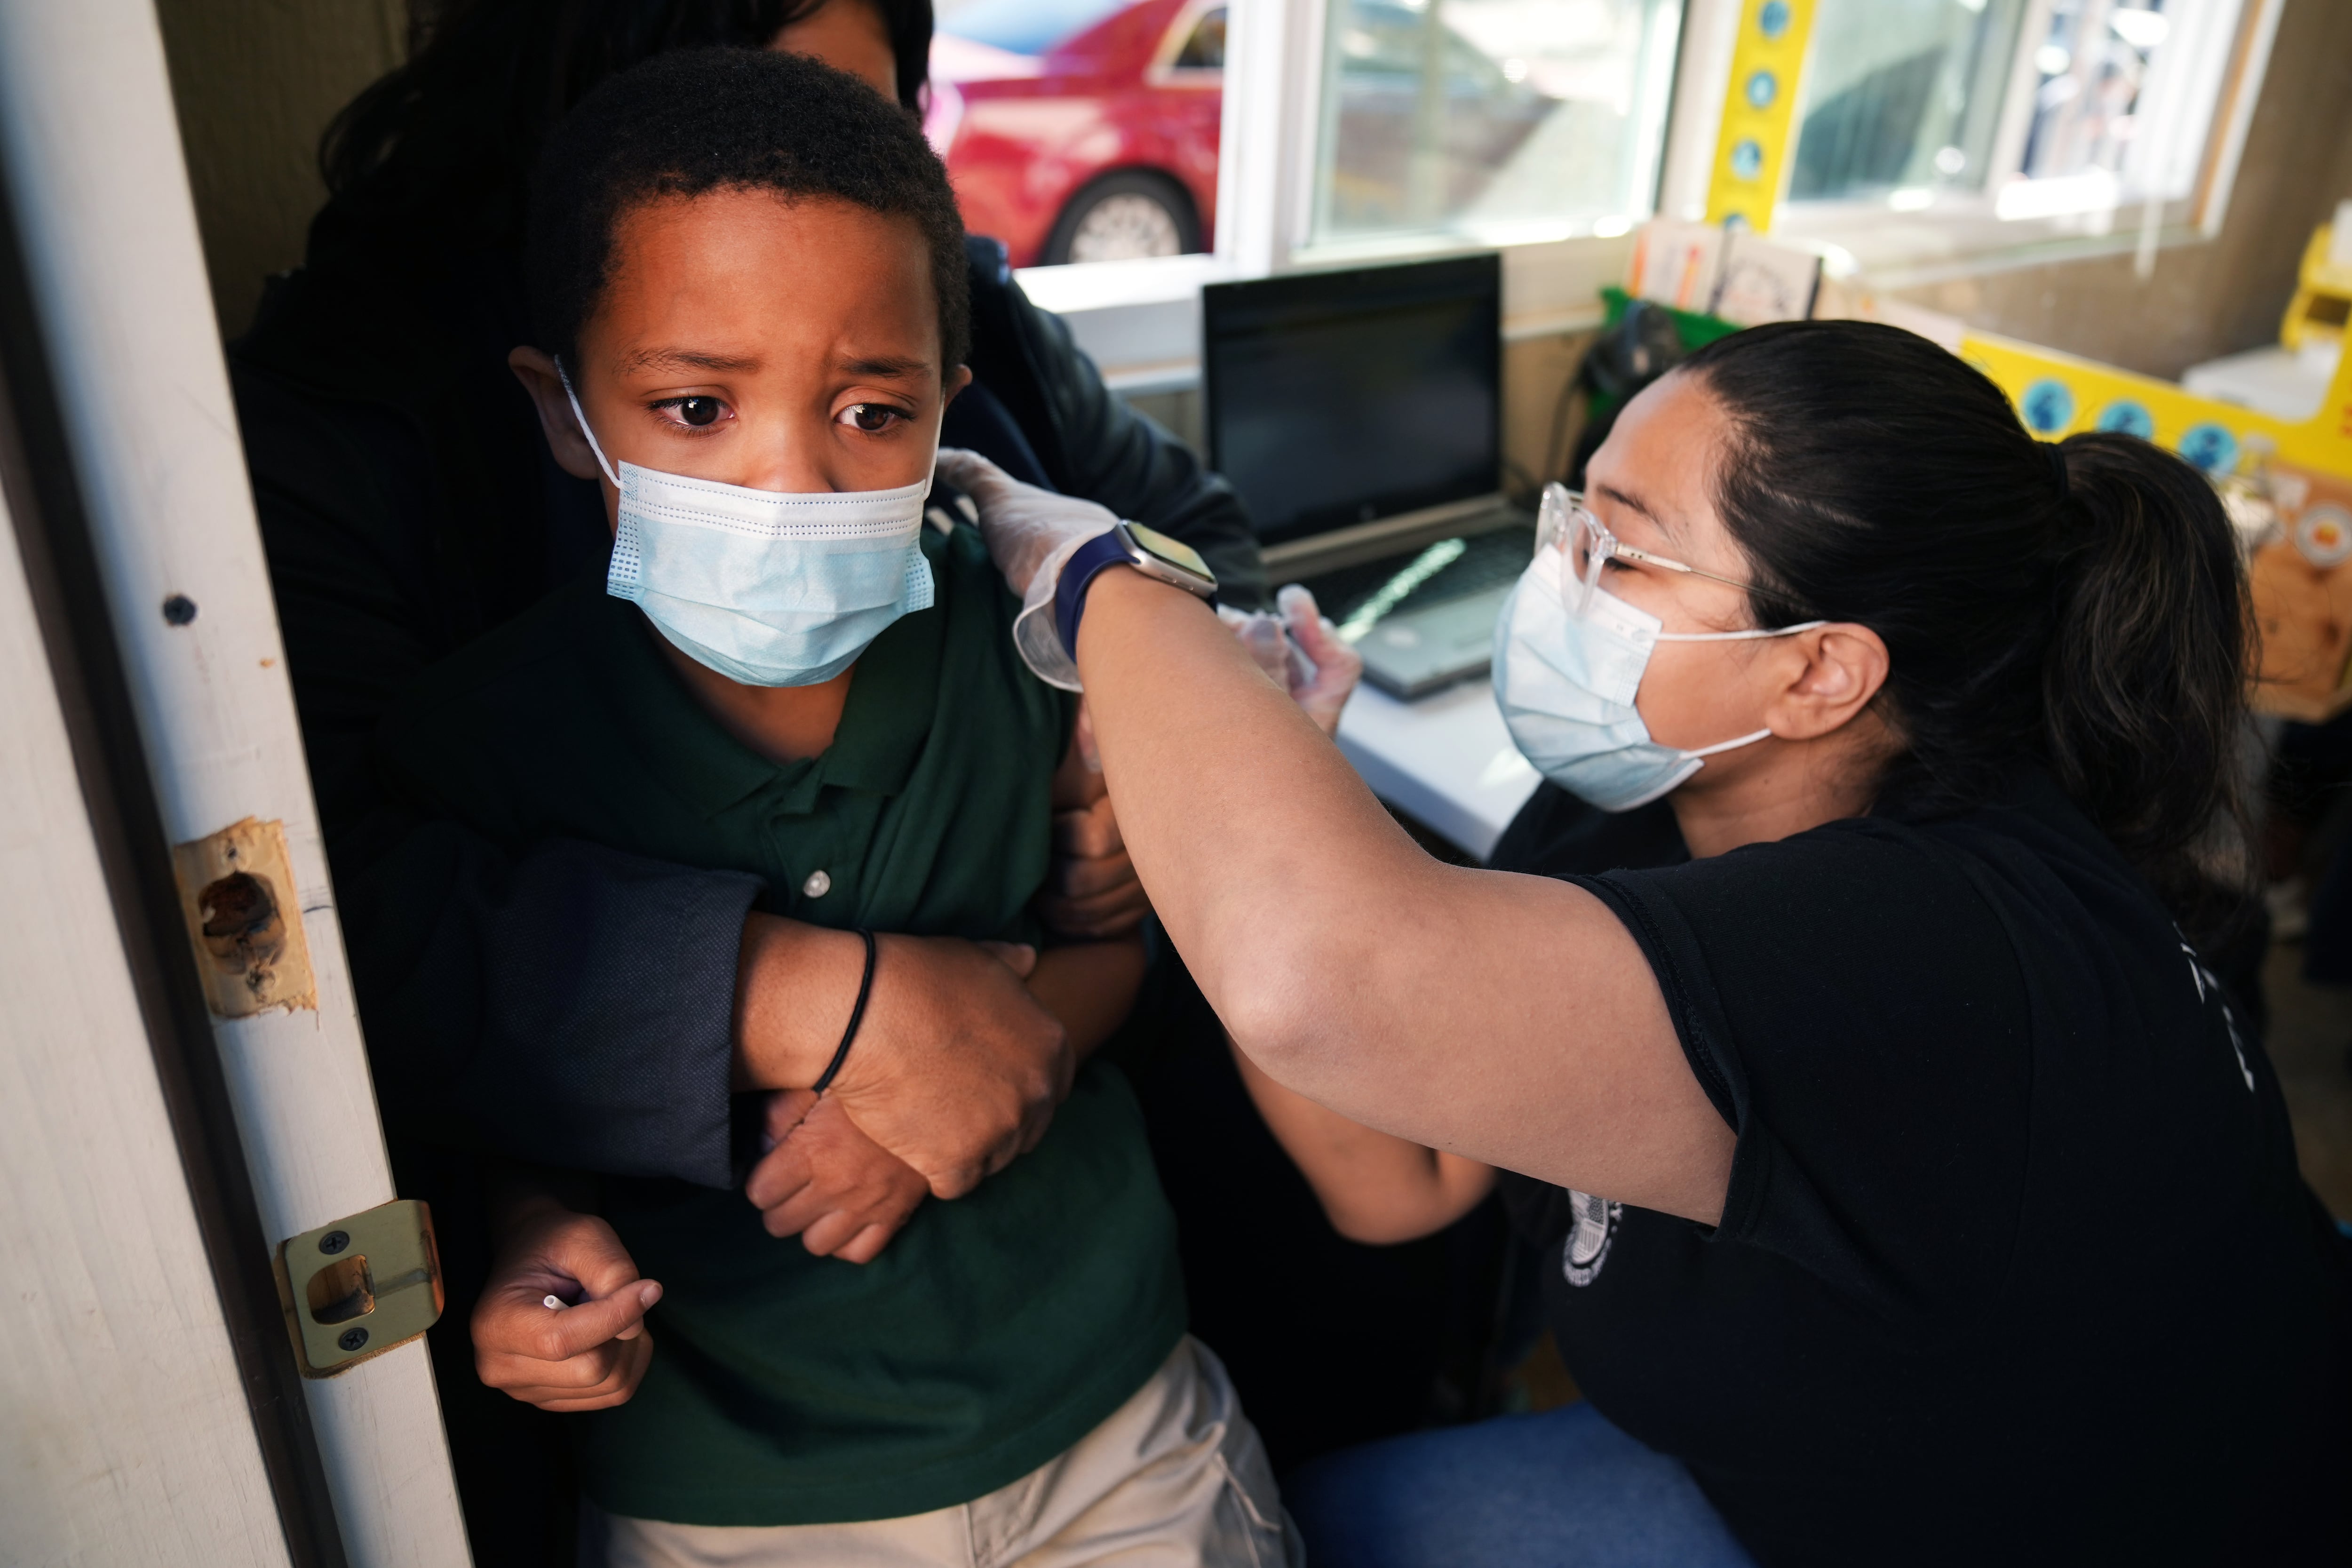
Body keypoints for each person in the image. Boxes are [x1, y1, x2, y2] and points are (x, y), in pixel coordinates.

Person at [944, 319, 2352, 1566]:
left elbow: (1316, 976)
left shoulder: (1924, 945)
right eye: (1572, 518)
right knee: (1327, 1515)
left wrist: (1105, 585)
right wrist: (1283, 773)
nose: (1557, 579)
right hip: (1814, 1469)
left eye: (1616, 549)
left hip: (2118, 1520)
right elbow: (1402, 1177)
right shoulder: (1635, 802)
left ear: (1818, 670)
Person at [226, 0, 1261, 1553]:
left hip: (1111, 1420)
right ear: (562, 408)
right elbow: (387, 991)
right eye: (699, 408)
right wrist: (525, 1231)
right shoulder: (483, 718)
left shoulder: (1020, 632)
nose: (787, 481)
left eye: (868, 410)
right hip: (731, 1485)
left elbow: (1205, 615)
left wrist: (1138, 779)